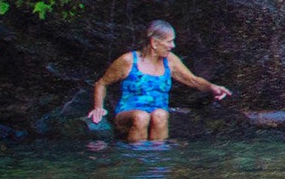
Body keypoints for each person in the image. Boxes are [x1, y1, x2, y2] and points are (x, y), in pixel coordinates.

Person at [86, 19, 233, 144]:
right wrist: (98, 107)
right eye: (169, 41)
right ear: (154, 43)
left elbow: (193, 80)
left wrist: (212, 87)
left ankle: (157, 160)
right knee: (141, 116)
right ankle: (134, 159)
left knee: (161, 114)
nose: (173, 46)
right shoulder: (129, 60)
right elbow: (101, 83)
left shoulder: (170, 61)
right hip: (128, 115)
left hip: (157, 114)